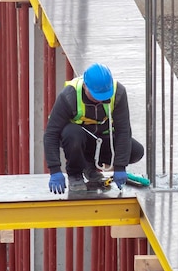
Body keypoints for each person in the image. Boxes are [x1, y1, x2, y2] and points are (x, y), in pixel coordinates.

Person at [44, 63, 144, 193]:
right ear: (85, 86)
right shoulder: (69, 96)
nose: (101, 101)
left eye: (104, 97)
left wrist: (120, 167)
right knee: (72, 134)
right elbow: (51, 134)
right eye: (96, 96)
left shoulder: (118, 93)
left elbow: (123, 131)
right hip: (77, 139)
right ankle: (75, 174)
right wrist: (55, 170)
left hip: (102, 137)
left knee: (136, 151)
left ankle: (89, 166)